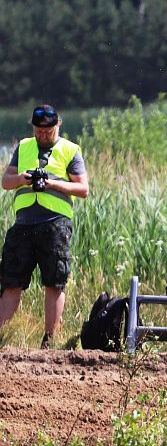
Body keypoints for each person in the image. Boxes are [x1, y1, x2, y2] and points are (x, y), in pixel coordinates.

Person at [0, 104, 90, 348]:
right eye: (39, 131)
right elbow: (6, 182)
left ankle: (49, 340)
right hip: (23, 224)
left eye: (48, 131)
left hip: (55, 224)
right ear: (33, 127)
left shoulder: (70, 150)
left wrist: (52, 184)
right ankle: (1, 336)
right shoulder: (24, 147)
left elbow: (83, 189)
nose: (42, 135)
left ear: (57, 126)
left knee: (54, 280)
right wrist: (21, 179)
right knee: (10, 281)